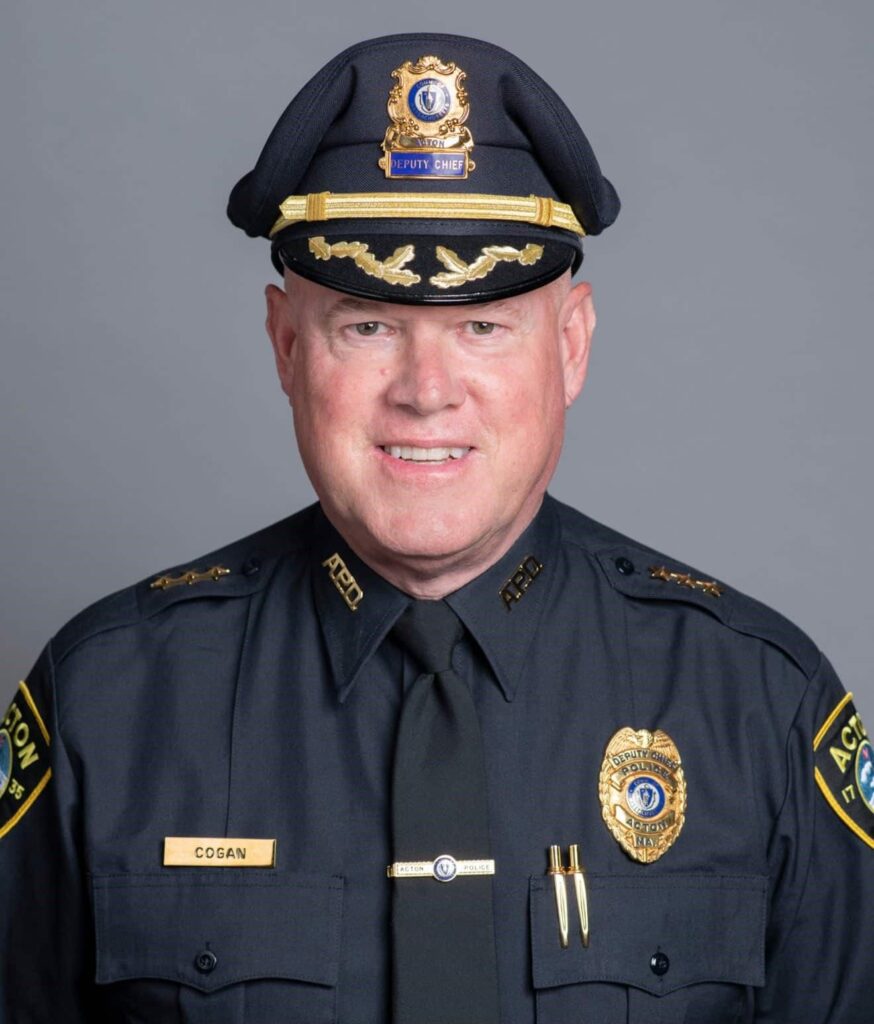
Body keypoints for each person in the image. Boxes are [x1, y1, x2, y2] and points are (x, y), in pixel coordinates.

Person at [0, 31, 870, 1024]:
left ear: (572, 346)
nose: (424, 393)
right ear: (287, 347)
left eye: (482, 327)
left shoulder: (757, 703)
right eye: (366, 326)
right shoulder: (107, 703)